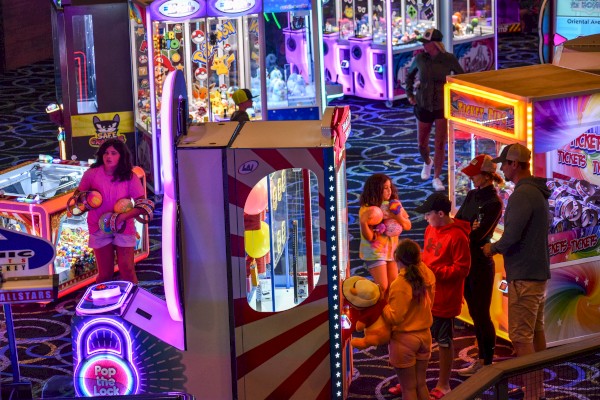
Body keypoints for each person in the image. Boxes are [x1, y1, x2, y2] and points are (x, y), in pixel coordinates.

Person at [483, 143, 551, 400]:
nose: (501, 168)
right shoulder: (536, 190)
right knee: (535, 333)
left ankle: (534, 393)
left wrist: (492, 249)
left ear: (514, 164)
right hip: (536, 272)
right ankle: (537, 388)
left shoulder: (523, 194)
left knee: (521, 337)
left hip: (524, 276)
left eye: (504, 163)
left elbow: (511, 236)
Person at [415, 192, 470, 398]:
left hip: (446, 299)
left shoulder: (457, 236)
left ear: (440, 213)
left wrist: (434, 271)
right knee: (420, 338)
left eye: (428, 214)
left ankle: (444, 384)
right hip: (427, 296)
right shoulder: (431, 228)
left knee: (444, 342)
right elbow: (429, 255)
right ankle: (416, 381)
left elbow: (462, 269)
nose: (426, 218)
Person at [454, 155, 504, 376]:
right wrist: (468, 228)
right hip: (466, 259)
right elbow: (459, 222)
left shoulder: (494, 202)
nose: (471, 178)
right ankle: (482, 360)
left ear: (486, 176)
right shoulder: (474, 194)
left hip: (481, 264)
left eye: (474, 174)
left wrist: (468, 228)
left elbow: (478, 235)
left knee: (482, 314)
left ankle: (486, 362)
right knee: (474, 312)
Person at [74, 139, 147, 284]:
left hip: (124, 226)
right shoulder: (91, 174)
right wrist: (85, 200)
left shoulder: (130, 176)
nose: (109, 156)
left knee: (127, 269)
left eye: (114, 153)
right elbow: (77, 197)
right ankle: (103, 303)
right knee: (105, 273)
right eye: (106, 153)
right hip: (98, 225)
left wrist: (122, 217)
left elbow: (142, 205)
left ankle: (133, 301)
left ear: (121, 156)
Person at [405, 28, 464, 192]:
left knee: (440, 143)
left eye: (427, 43)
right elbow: (409, 76)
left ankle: (436, 177)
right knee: (421, 144)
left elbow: (462, 77)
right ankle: (427, 162)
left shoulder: (448, 59)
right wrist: (410, 94)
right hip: (423, 104)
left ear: (436, 44)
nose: (424, 46)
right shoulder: (420, 59)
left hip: (441, 106)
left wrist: (455, 97)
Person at [383, 239, 436, 400]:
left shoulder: (401, 283)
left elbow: (395, 316)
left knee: (408, 389)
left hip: (404, 339)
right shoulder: (427, 274)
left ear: (398, 260)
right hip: (425, 336)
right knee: (421, 384)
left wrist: (382, 307)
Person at [359, 173, 412, 296]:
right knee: (383, 286)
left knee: (392, 286)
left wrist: (397, 216)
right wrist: (363, 222)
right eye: (385, 188)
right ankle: (367, 305)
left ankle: (387, 312)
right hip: (375, 252)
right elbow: (369, 237)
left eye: (390, 187)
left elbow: (408, 225)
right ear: (376, 190)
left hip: (391, 251)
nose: (389, 191)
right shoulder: (368, 209)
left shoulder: (394, 205)